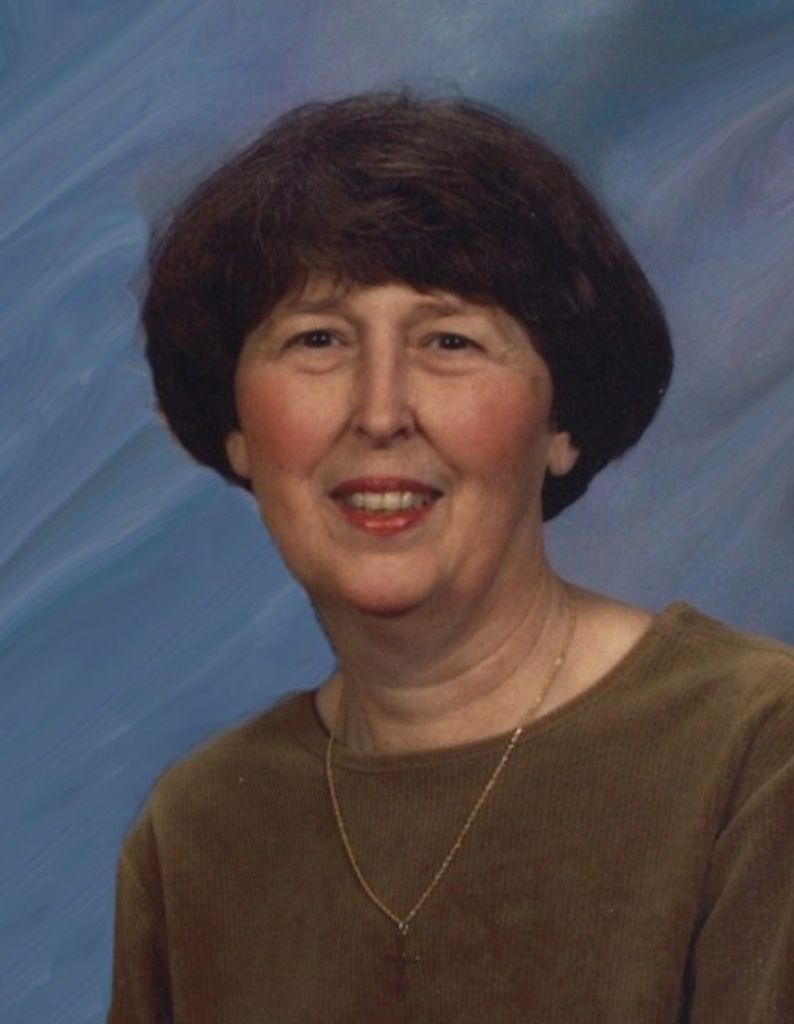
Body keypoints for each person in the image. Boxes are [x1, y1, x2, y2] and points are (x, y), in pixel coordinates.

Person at [108, 92, 794, 1023]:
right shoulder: (197, 828)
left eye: (449, 341)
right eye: (317, 339)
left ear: (561, 421)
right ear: (237, 430)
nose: (380, 412)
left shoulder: (757, 747)